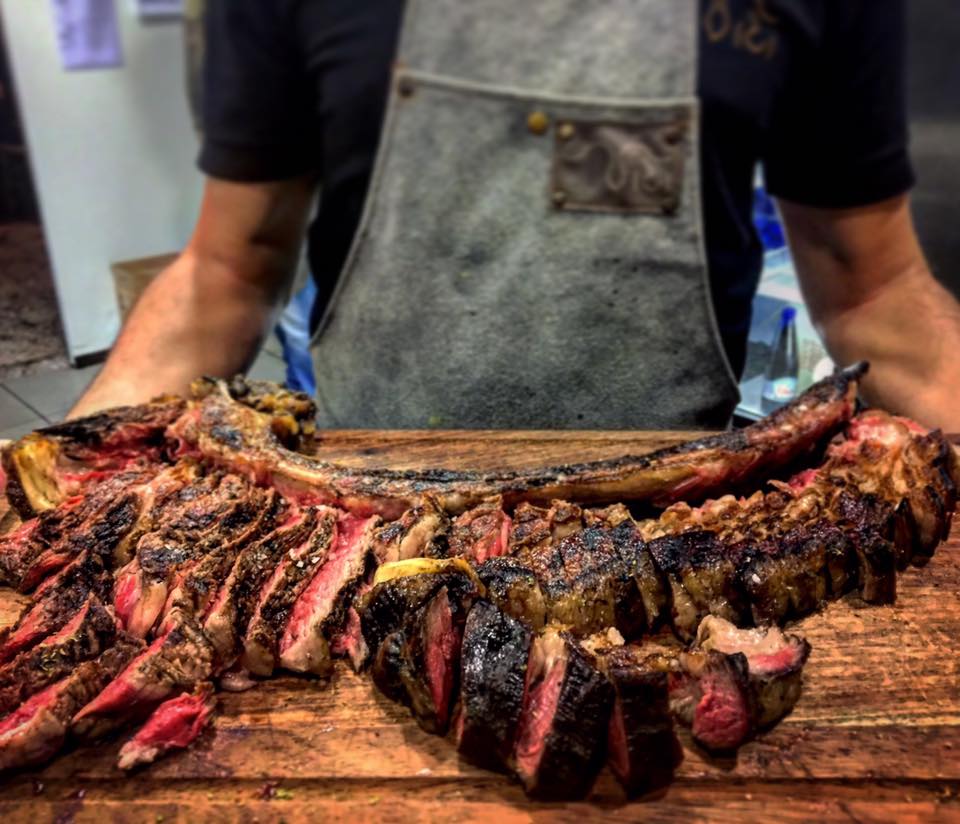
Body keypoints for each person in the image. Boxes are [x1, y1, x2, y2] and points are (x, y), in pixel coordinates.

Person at [72, 0, 960, 431]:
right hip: (368, 532)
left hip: (680, 540)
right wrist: (64, 474)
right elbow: (226, 275)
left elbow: (875, 293)